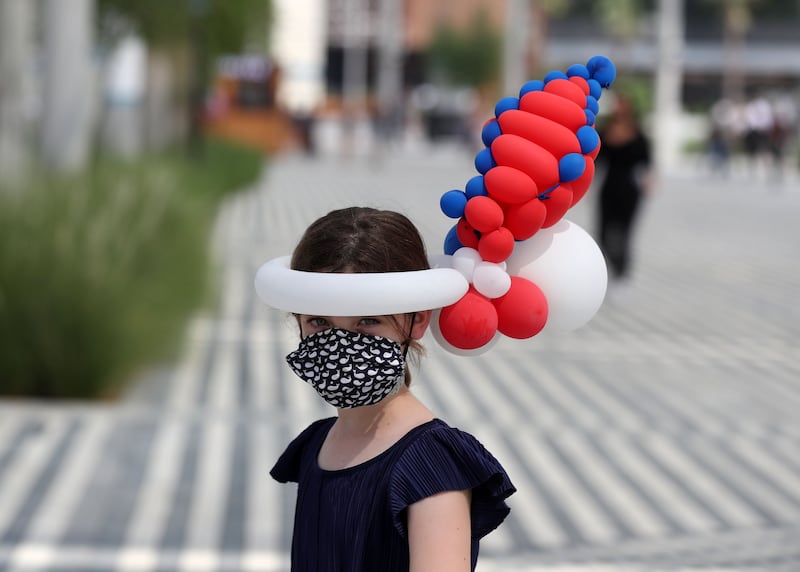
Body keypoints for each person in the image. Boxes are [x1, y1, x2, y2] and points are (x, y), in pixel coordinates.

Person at [255, 207, 516, 571]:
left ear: (417, 319)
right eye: (319, 321)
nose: (340, 344)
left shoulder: (431, 464)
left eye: (368, 321)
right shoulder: (317, 444)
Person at [595, 94, 652, 286]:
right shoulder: (605, 132)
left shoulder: (638, 133)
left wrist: (649, 181)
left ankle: (622, 270)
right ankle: (611, 264)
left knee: (626, 232)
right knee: (603, 232)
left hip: (630, 190)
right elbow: (596, 160)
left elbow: (646, 162)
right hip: (608, 187)